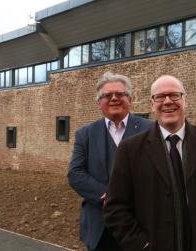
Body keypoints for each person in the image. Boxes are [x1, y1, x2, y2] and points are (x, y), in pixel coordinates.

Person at [103, 75, 196, 251]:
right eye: (159, 97)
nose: (167, 101)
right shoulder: (130, 150)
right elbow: (115, 208)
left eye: (174, 95)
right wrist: (142, 245)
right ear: (151, 104)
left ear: (185, 100)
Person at [68, 71, 154, 251]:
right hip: (100, 227)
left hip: (140, 225)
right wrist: (108, 196)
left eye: (120, 94)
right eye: (107, 95)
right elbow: (75, 173)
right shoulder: (85, 134)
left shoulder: (151, 129)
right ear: (99, 102)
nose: (114, 98)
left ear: (130, 99)